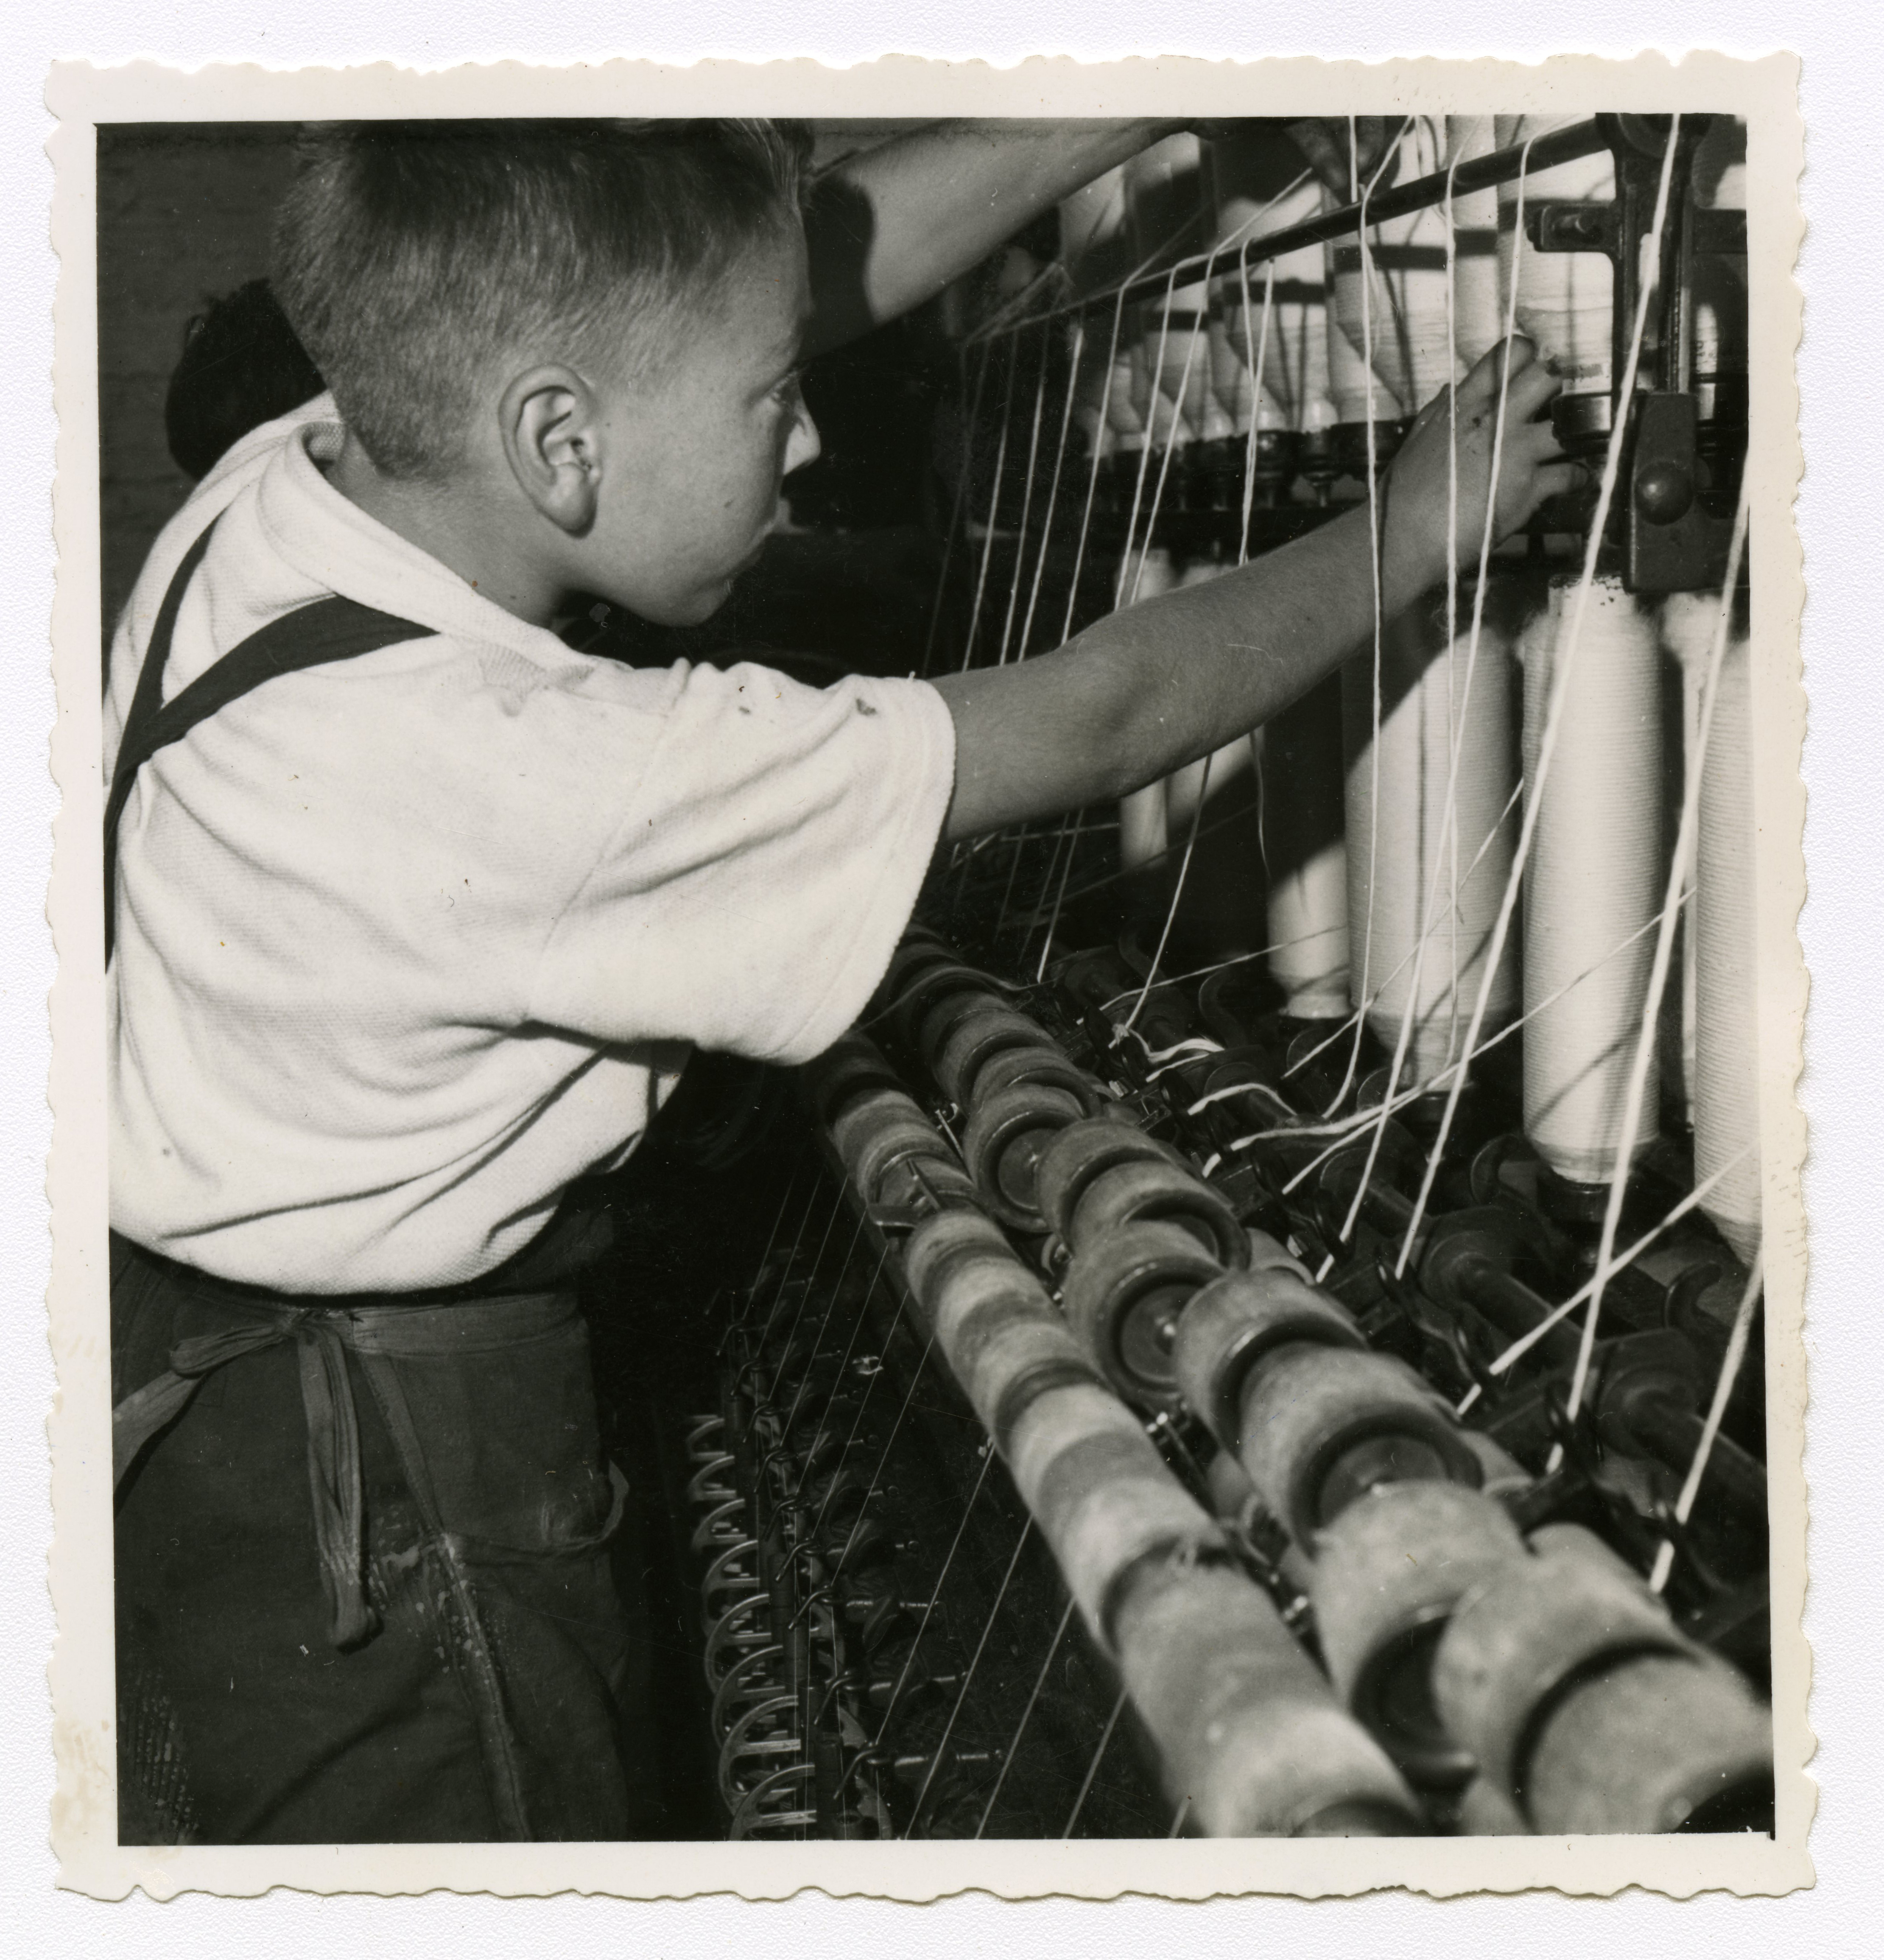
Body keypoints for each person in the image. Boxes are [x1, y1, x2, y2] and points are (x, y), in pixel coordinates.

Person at [106, 118, 1579, 1846]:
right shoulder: (542, 774)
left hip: (209, 1399)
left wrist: (1155, 77)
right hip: (405, 1489)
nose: (809, 435)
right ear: (559, 439)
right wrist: (1413, 534)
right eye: (770, 397)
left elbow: (759, 276)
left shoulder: (290, 486)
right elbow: (1099, 716)